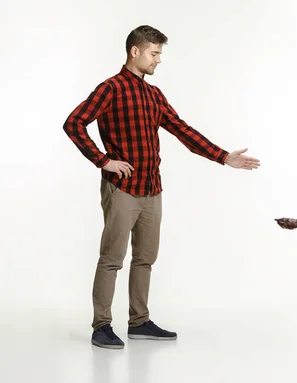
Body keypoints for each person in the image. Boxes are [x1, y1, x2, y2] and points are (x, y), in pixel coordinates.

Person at [63, 25, 260, 349]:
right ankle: (102, 326)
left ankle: (139, 321)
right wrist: (102, 160)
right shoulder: (110, 89)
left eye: (160, 54)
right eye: (154, 53)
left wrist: (223, 156)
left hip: (152, 189)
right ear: (135, 51)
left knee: (145, 258)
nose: (158, 60)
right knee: (112, 259)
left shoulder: (153, 94)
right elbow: (74, 123)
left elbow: (182, 130)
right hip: (122, 188)